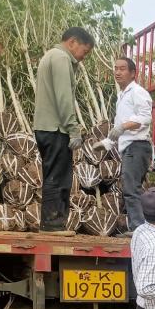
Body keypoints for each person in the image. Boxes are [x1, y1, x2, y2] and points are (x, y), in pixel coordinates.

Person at [32, 27, 95, 235]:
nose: (83, 58)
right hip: (56, 128)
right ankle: (52, 225)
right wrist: (73, 129)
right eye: (84, 52)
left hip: (45, 126)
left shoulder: (49, 56)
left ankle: (51, 224)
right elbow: (64, 98)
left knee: (53, 174)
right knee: (58, 177)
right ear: (73, 42)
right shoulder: (61, 58)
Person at [107, 56, 154, 233]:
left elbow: (145, 117)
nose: (117, 72)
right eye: (116, 68)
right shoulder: (122, 95)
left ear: (133, 73)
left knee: (130, 188)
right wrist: (108, 142)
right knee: (132, 188)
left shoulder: (137, 92)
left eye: (122, 69)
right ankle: (142, 228)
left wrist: (123, 126)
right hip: (130, 146)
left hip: (137, 146)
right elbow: (120, 127)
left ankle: (139, 229)